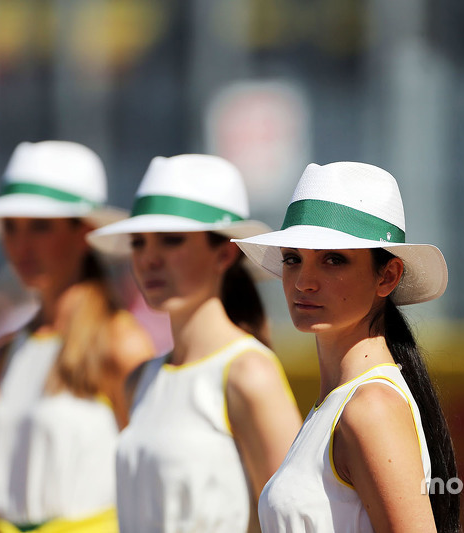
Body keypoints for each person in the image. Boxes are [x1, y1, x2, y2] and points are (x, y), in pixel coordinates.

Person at [233, 161, 460, 532]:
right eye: (293, 258)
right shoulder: (342, 404)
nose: (304, 282)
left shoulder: (370, 408)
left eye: (333, 259)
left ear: (387, 275)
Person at [87, 153, 303, 533]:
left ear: (224, 253)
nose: (149, 258)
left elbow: (293, 520)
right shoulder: (140, 379)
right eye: (138, 242)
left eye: (172, 240)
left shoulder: (249, 372)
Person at [0, 140, 156, 532]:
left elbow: (152, 476)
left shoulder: (119, 344)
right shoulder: (5, 353)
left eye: (41, 227)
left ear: (84, 233)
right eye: (10, 228)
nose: (21, 246)